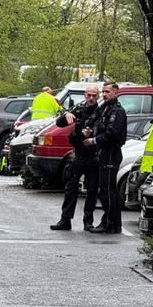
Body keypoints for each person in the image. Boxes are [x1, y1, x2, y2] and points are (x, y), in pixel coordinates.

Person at [50, 85, 100, 231]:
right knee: (70, 188)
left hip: (93, 155)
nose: (91, 98)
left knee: (91, 190)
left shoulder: (100, 111)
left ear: (97, 96)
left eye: (94, 96)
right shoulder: (79, 109)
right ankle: (65, 220)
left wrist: (91, 132)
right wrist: (65, 116)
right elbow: (59, 123)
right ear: (85, 95)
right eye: (89, 95)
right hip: (78, 155)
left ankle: (88, 222)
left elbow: (102, 130)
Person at [86, 82, 127, 234]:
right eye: (103, 91)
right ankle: (114, 224)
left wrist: (94, 140)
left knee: (107, 190)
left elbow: (112, 133)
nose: (104, 94)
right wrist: (90, 130)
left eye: (107, 92)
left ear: (116, 93)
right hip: (104, 152)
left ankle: (109, 223)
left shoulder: (117, 111)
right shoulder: (106, 108)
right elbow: (98, 124)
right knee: (108, 189)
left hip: (111, 152)